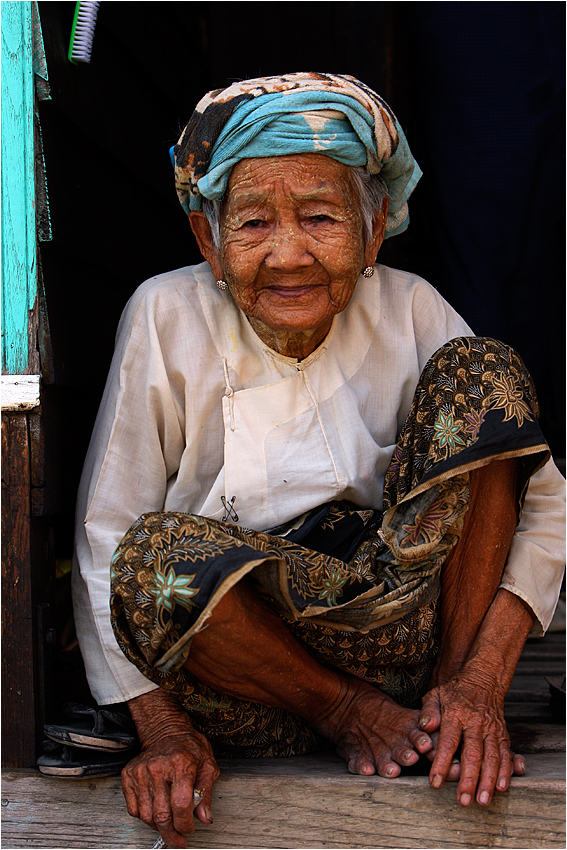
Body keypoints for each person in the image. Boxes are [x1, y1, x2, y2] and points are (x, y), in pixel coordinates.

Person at [72, 72, 565, 849]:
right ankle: (349, 715)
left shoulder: (411, 308)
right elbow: (106, 536)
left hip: (410, 629)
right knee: (150, 560)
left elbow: (541, 503)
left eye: (320, 217)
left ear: (373, 234)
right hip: (254, 684)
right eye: (254, 222)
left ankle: (440, 707)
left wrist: (479, 686)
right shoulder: (164, 315)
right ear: (209, 241)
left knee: (487, 374)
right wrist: (159, 728)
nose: (288, 254)